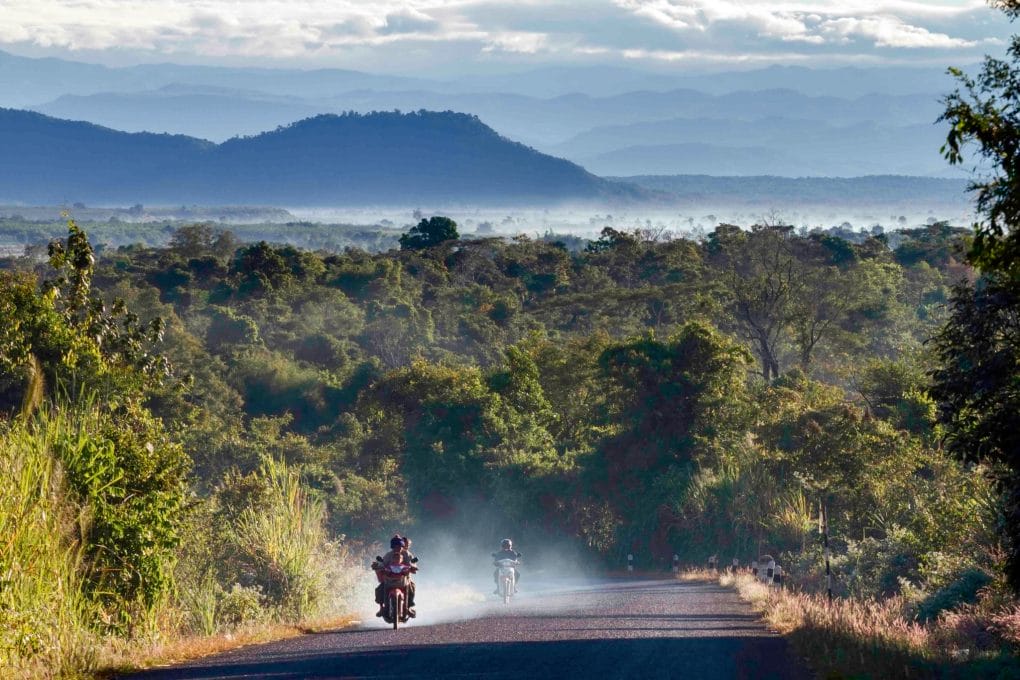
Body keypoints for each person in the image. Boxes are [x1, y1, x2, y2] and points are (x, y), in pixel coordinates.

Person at [372, 534, 417, 617]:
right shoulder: (388, 555)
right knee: (379, 589)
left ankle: (408, 607)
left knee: (412, 587)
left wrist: (413, 567)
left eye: (399, 546)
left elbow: (412, 563)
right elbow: (382, 563)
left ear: (402, 546)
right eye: (395, 546)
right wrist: (377, 566)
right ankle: (381, 607)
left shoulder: (407, 554)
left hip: (404, 579)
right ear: (392, 547)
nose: (398, 548)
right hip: (389, 579)